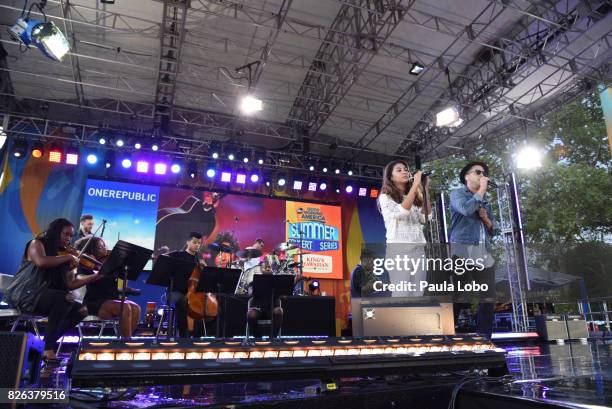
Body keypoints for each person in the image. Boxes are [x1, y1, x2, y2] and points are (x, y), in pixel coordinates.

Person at [20, 219, 100, 361]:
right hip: (29, 294)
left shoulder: (63, 254)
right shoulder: (37, 243)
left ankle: (44, 344)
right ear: (55, 232)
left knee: (82, 310)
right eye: (66, 234)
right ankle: (48, 349)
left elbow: (70, 284)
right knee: (64, 298)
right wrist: (68, 257)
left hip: (48, 297)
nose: (68, 239)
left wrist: (96, 276)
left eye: (71, 236)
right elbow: (41, 261)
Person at [449, 161, 497, 337]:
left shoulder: (486, 202)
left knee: (488, 298)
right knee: (460, 296)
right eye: (478, 172)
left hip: (484, 254)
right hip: (462, 252)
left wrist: (486, 220)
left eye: (484, 173)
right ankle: (447, 334)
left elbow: (493, 231)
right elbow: (466, 210)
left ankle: (484, 338)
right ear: (466, 176)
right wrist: (481, 191)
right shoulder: (457, 194)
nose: (482, 176)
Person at [377, 160, 431, 297]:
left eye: (406, 169)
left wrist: (424, 189)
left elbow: (426, 217)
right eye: (399, 170)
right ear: (391, 177)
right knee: (402, 293)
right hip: (399, 252)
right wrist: (415, 186)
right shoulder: (385, 197)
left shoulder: (415, 195)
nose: (405, 172)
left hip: (418, 250)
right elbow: (402, 212)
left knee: (418, 293)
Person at [75, 236, 141, 338]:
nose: (105, 249)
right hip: (94, 302)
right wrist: (101, 273)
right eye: (100, 247)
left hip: (111, 300)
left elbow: (121, 279)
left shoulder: (109, 264)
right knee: (125, 307)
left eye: (104, 246)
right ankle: (127, 343)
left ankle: (125, 340)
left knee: (136, 307)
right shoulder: (85, 264)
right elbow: (80, 278)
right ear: (91, 250)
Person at [244, 239, 283, 338]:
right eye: (265, 267)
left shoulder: (276, 280)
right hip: (258, 309)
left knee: (279, 311)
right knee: (250, 314)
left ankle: (272, 338)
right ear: (261, 268)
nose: (267, 269)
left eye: (269, 267)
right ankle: (257, 337)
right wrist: (251, 289)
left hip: (272, 308)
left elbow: (284, 291)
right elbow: (250, 293)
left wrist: (295, 280)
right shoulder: (256, 279)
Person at [165, 232, 202, 338]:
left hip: (190, 293)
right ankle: (182, 336)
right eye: (194, 242)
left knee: (201, 304)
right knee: (182, 300)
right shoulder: (177, 255)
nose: (197, 245)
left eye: (199, 243)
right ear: (187, 242)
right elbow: (163, 259)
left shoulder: (197, 260)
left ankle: (195, 336)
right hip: (174, 292)